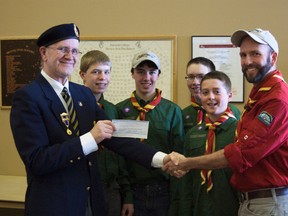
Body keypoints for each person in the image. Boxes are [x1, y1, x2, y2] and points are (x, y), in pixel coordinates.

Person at [9, 23, 174, 216]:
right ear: (44, 53)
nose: (70, 56)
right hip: (54, 205)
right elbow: (38, 161)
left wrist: (163, 159)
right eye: (63, 49)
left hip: (91, 203)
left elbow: (116, 137)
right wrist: (91, 138)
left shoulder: (83, 94)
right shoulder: (28, 97)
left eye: (74, 51)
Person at [165, 28, 288, 216]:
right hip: (252, 202)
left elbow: (240, 154)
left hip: (267, 203)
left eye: (255, 54)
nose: (247, 61)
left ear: (273, 57)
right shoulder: (260, 95)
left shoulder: (276, 100)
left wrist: (186, 163)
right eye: (243, 55)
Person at [116, 50, 185, 216]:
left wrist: (175, 200)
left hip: (164, 193)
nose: (146, 78)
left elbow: (179, 156)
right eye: (140, 72)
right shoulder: (120, 110)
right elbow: (119, 157)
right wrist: (128, 196)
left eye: (152, 72)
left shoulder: (172, 111)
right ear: (132, 74)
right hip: (132, 193)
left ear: (159, 74)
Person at [79, 50, 133, 216]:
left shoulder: (112, 110)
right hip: (83, 188)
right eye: (95, 72)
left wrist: (127, 195)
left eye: (106, 72)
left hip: (111, 189)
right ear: (82, 75)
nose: (102, 77)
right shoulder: (74, 108)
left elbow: (120, 156)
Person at [180, 71, 239, 216]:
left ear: (229, 95)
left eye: (217, 92)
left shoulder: (240, 130)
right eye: (205, 92)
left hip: (231, 207)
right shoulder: (193, 133)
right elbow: (186, 181)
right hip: (200, 207)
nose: (211, 97)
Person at [182, 57, 241, 132]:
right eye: (190, 77)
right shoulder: (183, 114)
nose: (195, 82)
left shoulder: (233, 112)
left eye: (201, 77)